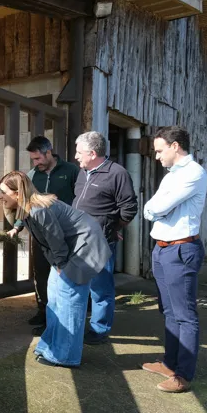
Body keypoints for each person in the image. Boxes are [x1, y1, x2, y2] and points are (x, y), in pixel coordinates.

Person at [0, 170, 111, 368]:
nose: (1, 197)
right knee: (55, 299)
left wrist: (60, 265)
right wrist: (16, 228)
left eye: (4, 192)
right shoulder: (28, 206)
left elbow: (56, 240)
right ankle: (51, 344)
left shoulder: (38, 210)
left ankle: (66, 356)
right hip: (69, 248)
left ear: (17, 193)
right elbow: (26, 220)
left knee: (69, 301)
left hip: (82, 247)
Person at [142, 126, 207, 393]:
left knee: (185, 315)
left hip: (181, 250)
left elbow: (158, 206)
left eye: (160, 151)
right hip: (162, 249)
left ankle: (183, 375)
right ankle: (170, 363)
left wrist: (157, 209)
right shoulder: (172, 175)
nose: (157, 156)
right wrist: (156, 209)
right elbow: (150, 208)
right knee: (168, 311)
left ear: (175, 146)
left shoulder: (193, 173)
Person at [72, 131, 138, 345]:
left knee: (101, 288)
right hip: (77, 239)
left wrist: (112, 227)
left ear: (92, 153)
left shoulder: (117, 173)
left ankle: (99, 330)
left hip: (100, 242)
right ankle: (75, 326)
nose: (76, 156)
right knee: (75, 285)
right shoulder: (82, 172)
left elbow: (129, 208)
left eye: (79, 152)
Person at [24, 136, 80, 331]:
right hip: (41, 234)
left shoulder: (71, 171)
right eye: (33, 159)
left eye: (38, 158)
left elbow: (81, 199)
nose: (35, 163)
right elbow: (25, 202)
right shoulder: (32, 175)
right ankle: (43, 311)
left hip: (65, 233)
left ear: (48, 153)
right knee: (40, 273)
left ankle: (60, 316)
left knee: (63, 273)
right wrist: (17, 225)